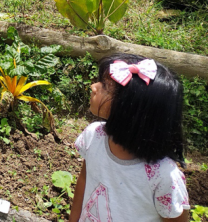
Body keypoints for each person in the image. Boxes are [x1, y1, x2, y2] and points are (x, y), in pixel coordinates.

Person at [69, 53, 190, 222]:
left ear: (131, 110)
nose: (94, 87)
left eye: (105, 86)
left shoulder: (164, 177)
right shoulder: (93, 136)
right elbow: (84, 179)